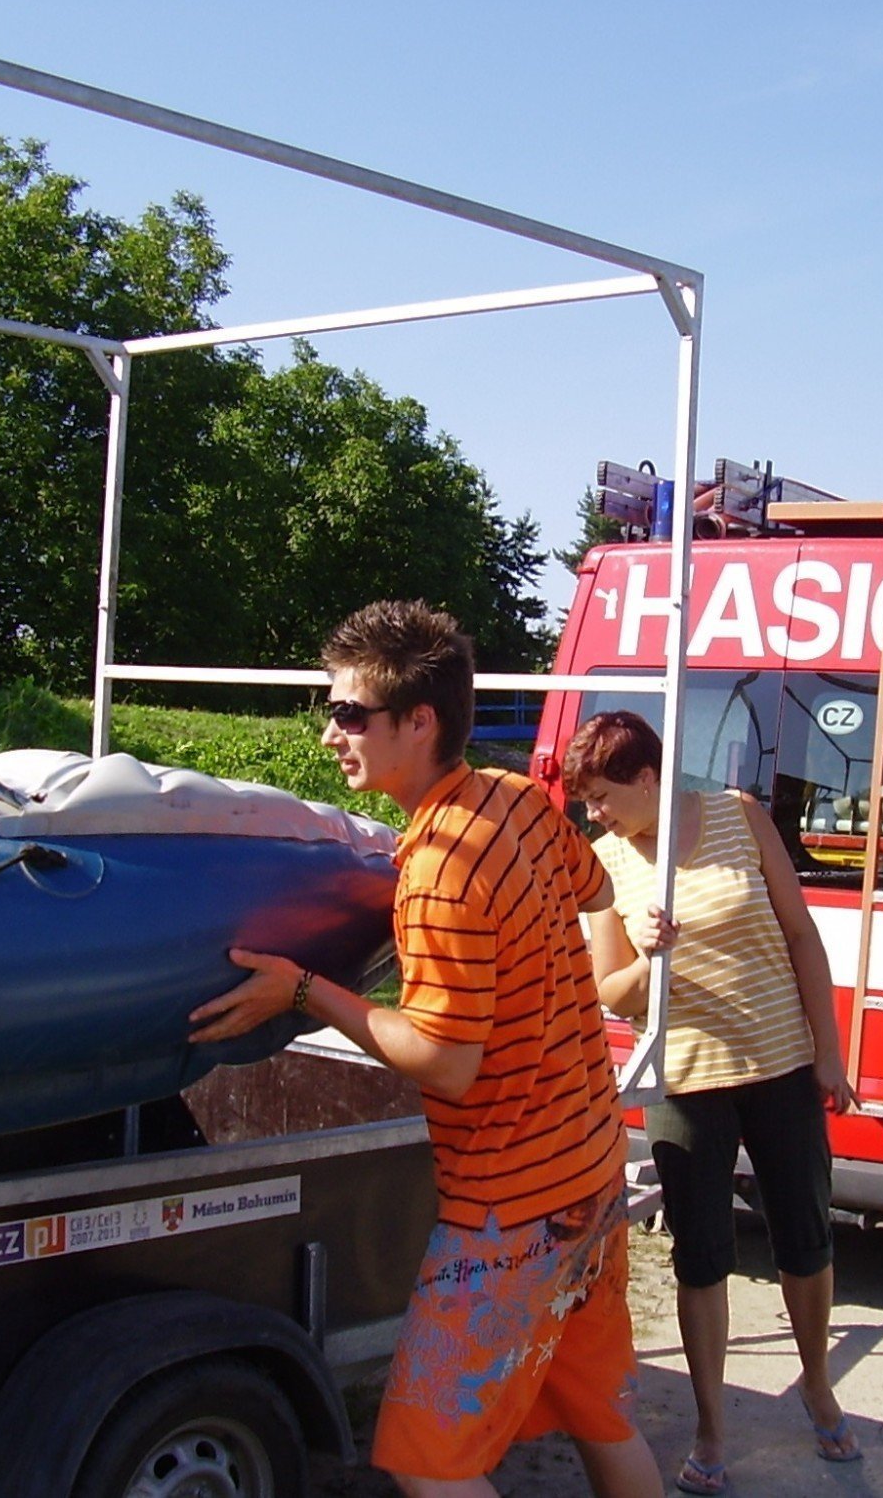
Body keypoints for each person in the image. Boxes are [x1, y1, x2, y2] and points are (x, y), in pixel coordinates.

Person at [188, 601, 659, 1498]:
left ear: (419, 721)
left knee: (425, 1465)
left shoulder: (438, 869)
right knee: (605, 1416)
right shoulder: (517, 798)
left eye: (349, 713)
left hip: (512, 1208)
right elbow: (595, 890)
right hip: (591, 1166)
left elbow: (446, 1062)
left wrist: (304, 991)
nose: (331, 733)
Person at [563, 709, 860, 1497]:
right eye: (586, 800)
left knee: (805, 1237)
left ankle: (817, 1383)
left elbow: (801, 935)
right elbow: (610, 993)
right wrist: (649, 957)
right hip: (685, 1080)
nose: (594, 812)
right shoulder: (603, 866)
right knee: (701, 1257)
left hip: (780, 1063)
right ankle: (711, 1427)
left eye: (602, 796)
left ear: (647, 778)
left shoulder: (739, 815)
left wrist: (829, 1053)